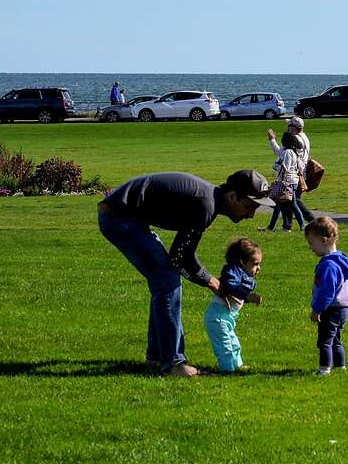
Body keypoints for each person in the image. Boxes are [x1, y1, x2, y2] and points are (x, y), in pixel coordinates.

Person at [98, 170, 271, 377]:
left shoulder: (209, 202)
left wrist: (213, 282)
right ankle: (173, 364)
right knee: (167, 279)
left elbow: (182, 257)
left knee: (166, 279)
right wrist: (215, 284)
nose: (251, 214)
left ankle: (158, 358)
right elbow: (180, 259)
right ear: (232, 196)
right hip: (118, 217)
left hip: (123, 216)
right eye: (249, 206)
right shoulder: (205, 204)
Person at [203, 237, 263, 374]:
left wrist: (247, 297)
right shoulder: (232, 272)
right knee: (225, 347)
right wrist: (247, 296)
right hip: (217, 318)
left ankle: (237, 365)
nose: (258, 268)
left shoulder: (243, 274)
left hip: (228, 318)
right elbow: (231, 286)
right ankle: (228, 370)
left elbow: (237, 294)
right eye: (255, 264)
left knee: (234, 343)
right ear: (242, 262)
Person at [306, 216, 348, 376]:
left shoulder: (328, 265)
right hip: (344, 307)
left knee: (325, 341)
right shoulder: (341, 259)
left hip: (331, 308)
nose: (310, 248)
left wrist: (317, 309)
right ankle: (340, 367)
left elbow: (327, 291)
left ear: (324, 240)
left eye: (311, 244)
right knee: (336, 340)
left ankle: (324, 369)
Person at [263, 128, 307, 232]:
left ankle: (303, 225)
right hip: (292, 181)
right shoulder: (294, 152)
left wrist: (276, 166)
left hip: (287, 182)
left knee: (292, 204)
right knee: (278, 205)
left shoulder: (288, 152)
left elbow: (285, 167)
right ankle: (271, 227)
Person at [286, 116, 317, 224]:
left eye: (289, 126)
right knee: (290, 199)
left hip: (297, 172)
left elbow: (285, 153)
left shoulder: (297, 139)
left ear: (294, 128)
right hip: (301, 171)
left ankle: (311, 220)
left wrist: (272, 141)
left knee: (293, 200)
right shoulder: (304, 137)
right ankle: (287, 225)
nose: (288, 129)